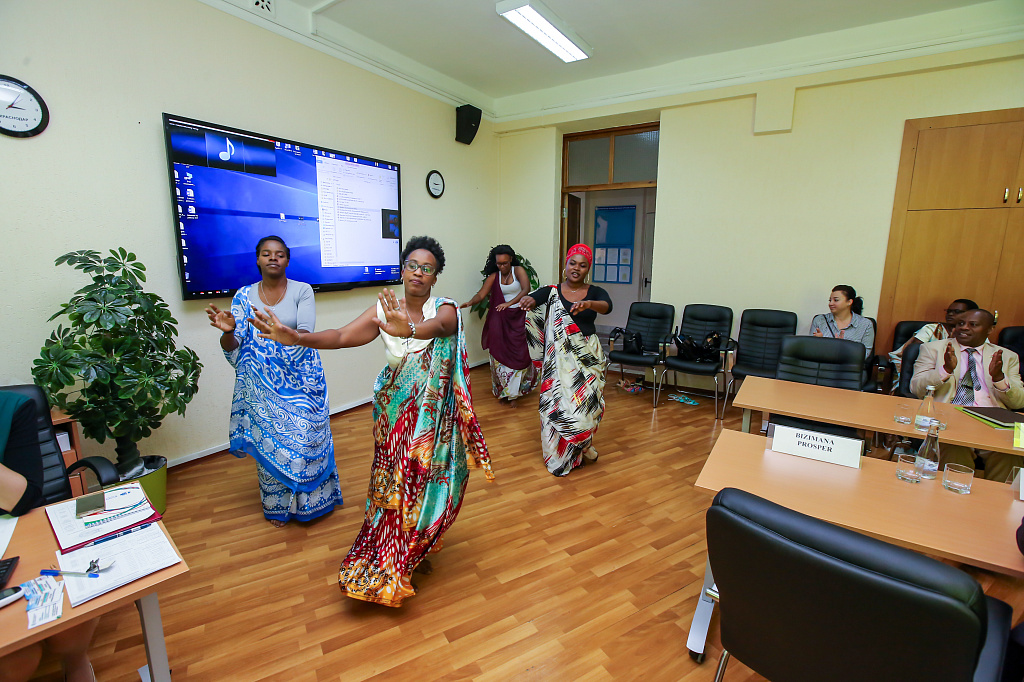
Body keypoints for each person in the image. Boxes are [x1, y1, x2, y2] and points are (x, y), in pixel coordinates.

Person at [249, 236, 493, 607]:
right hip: (395, 417)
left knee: (431, 484)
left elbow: (441, 328)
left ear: (435, 277)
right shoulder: (383, 307)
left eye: (427, 268)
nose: (418, 272)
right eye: (412, 264)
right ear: (403, 269)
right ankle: (395, 555)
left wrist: (409, 330)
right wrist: (295, 336)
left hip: (433, 422)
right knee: (396, 486)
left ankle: (415, 545)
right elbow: (343, 336)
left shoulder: (445, 308)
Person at [205, 236, 343, 528]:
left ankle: (314, 504)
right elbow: (234, 346)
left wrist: (282, 334)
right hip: (261, 388)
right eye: (266, 254)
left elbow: (305, 333)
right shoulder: (242, 296)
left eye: (279, 254)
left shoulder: (302, 290)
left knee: (306, 443)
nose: (273, 258)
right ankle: (278, 508)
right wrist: (228, 331)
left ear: (287, 260)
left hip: (302, 383)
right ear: (257, 259)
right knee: (272, 446)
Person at [0, 391, 98, 682]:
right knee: (18, 658)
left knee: (69, 630)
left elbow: (23, 499)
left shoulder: (14, 409)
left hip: (19, 528)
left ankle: (76, 661)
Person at [519, 244, 612, 477]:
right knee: (559, 405)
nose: (576, 268)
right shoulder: (552, 291)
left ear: (587, 269)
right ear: (565, 265)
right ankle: (563, 456)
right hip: (560, 361)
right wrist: (529, 301)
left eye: (582, 265)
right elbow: (533, 299)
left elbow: (607, 306)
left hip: (587, 357)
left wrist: (588, 304)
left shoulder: (595, 291)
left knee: (588, 405)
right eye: (573, 263)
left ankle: (583, 443)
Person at [911, 309, 1024, 481]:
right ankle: (953, 498)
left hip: (992, 421)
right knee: (954, 449)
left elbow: (1018, 402)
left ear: (989, 329)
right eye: (960, 324)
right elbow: (916, 388)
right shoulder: (933, 348)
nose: (964, 328)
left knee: (1009, 455)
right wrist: (945, 370)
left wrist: (1000, 378)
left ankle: (995, 503)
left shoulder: (1007, 357)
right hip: (949, 419)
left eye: (973, 325)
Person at [460, 245, 536, 407]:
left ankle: (515, 393)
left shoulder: (519, 271)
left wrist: (509, 303)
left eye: (505, 263)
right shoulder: (493, 277)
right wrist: (470, 302)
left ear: (511, 261)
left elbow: (526, 289)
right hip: (499, 318)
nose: (502, 266)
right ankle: (504, 391)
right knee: (497, 351)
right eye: (499, 264)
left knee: (519, 353)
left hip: (518, 316)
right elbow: (481, 294)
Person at [886, 298, 978, 393]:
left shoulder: (977, 337)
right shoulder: (931, 329)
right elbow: (912, 354)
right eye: (949, 311)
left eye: (957, 312)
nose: (950, 314)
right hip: (927, 372)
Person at [809, 284, 875, 359]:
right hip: (823, 366)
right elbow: (810, 351)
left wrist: (843, 348)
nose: (830, 303)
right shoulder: (820, 320)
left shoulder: (865, 324)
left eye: (836, 300)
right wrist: (818, 342)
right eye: (830, 300)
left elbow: (864, 355)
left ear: (849, 302)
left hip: (849, 368)